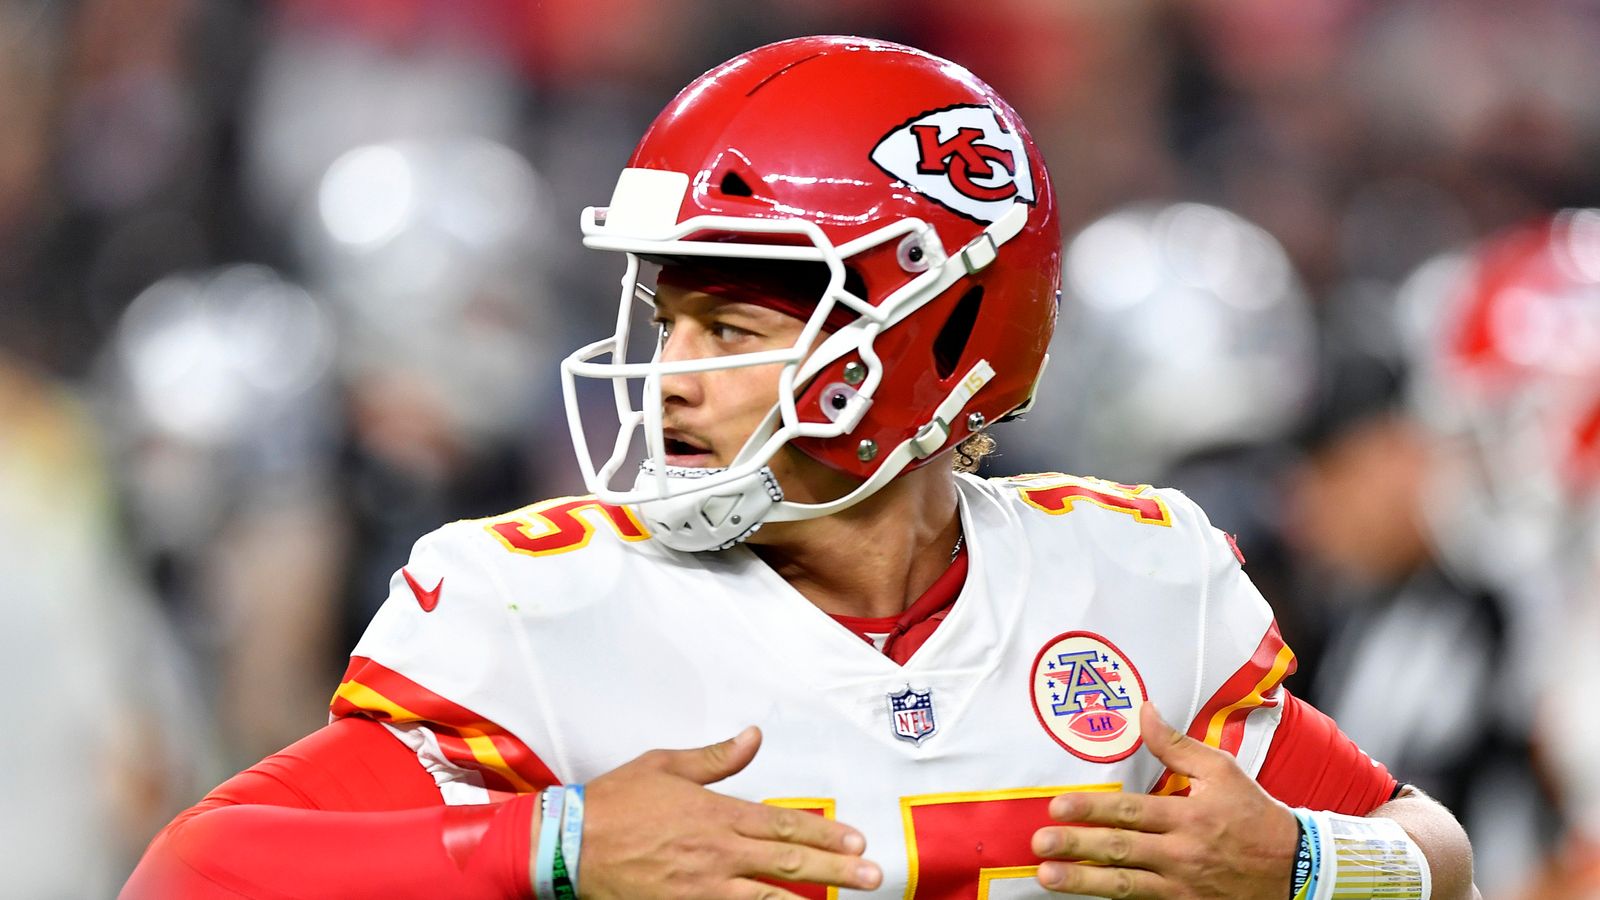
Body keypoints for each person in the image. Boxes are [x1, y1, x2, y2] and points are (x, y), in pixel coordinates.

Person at [125, 36, 1477, 899]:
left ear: (941, 324)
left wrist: (1308, 867)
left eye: (735, 326)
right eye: (668, 322)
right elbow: (195, 877)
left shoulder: (1129, 573)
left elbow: (1441, 860)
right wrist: (552, 848)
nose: (671, 374)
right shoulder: (542, 604)